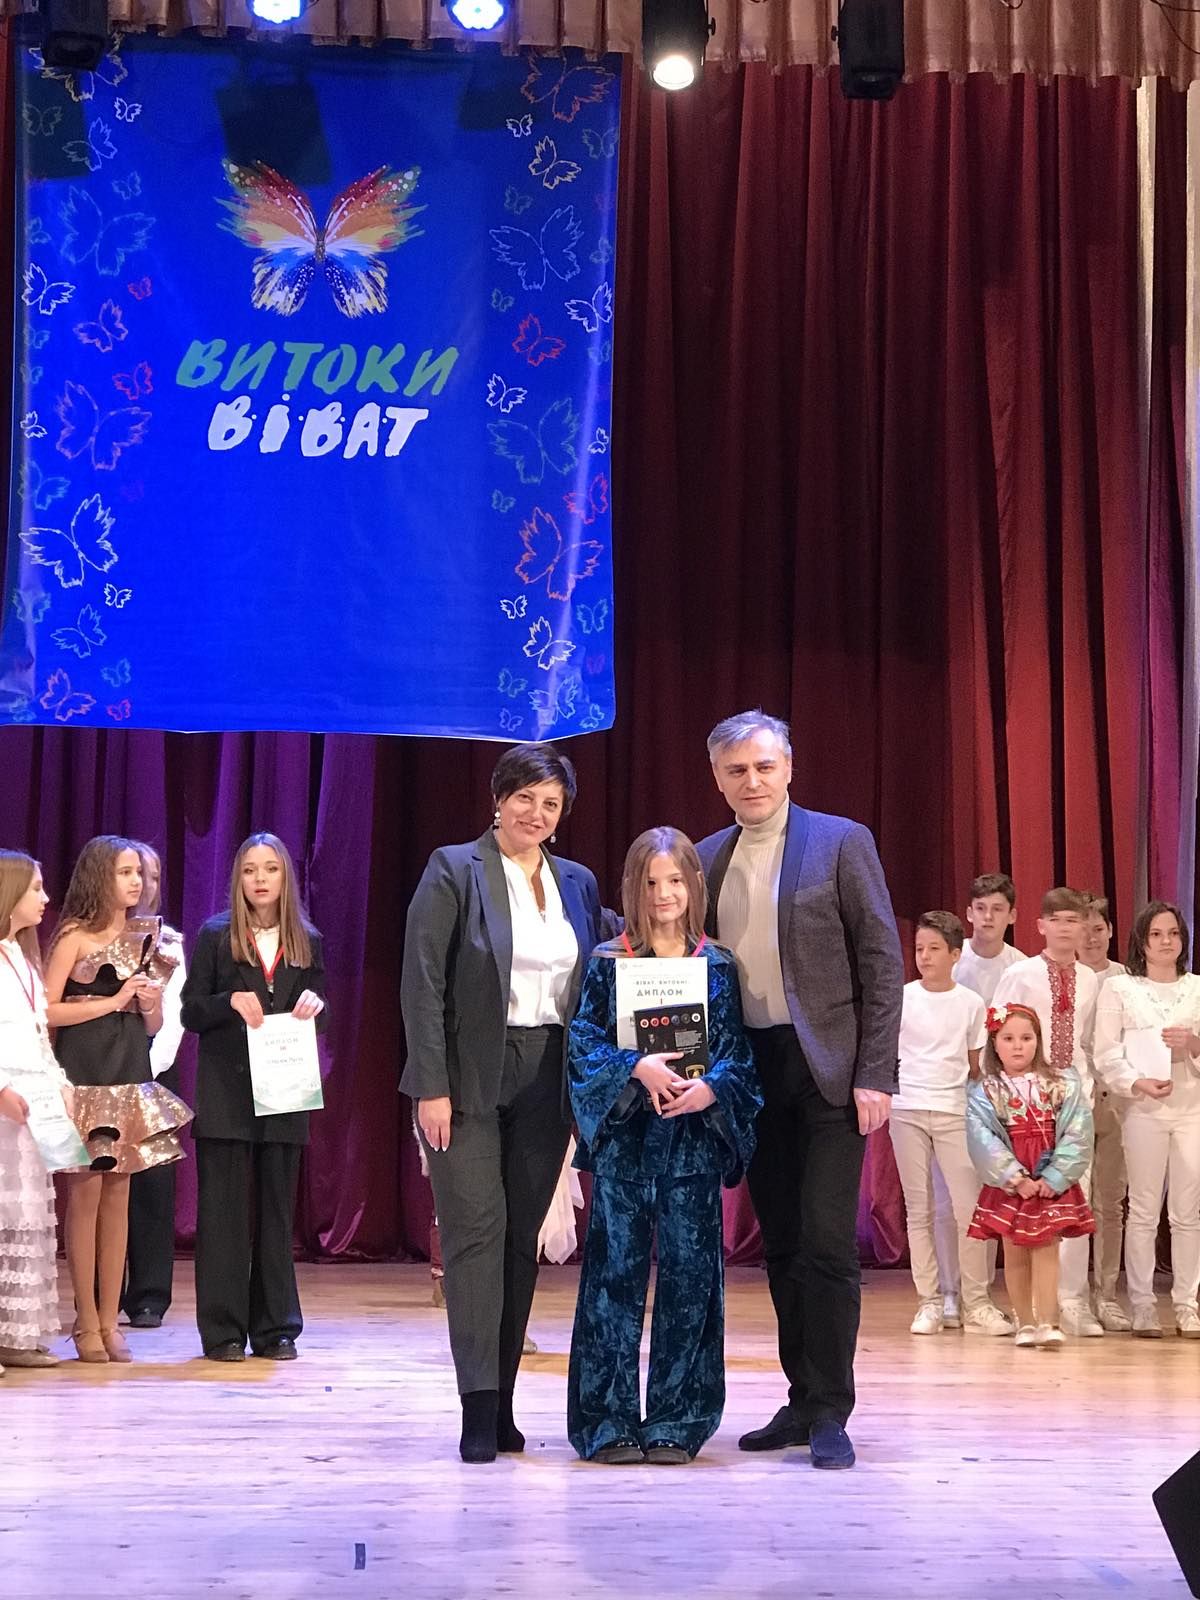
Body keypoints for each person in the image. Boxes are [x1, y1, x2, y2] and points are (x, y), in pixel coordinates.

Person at [696, 710, 903, 1470]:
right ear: (718, 779)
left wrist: (876, 1072)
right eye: (736, 770)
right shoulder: (705, 857)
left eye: (764, 766)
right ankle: (800, 1397)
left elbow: (881, 961)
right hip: (750, 1074)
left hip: (830, 1073)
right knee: (782, 1242)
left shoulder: (842, 842)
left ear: (789, 767)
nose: (752, 781)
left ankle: (832, 1409)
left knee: (825, 1242)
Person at [401, 743, 604, 1463]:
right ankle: (476, 1408)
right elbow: (422, 982)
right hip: (468, 1075)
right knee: (474, 1238)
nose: (537, 813)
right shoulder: (454, 868)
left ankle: (506, 1401)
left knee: (521, 1240)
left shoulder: (578, 882)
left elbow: (605, 971)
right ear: (498, 799)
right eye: (525, 798)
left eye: (551, 804)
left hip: (550, 1075)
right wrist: (432, 1085)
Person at [567, 828, 761, 1464]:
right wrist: (634, 1066)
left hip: (691, 1148)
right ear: (633, 888)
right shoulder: (608, 961)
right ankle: (607, 1421)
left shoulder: (717, 965)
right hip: (626, 1147)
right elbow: (583, 1045)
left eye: (675, 880)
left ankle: (680, 1418)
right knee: (612, 1282)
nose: (663, 894)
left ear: (694, 885)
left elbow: (736, 1055)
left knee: (691, 1283)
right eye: (650, 883)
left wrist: (712, 1091)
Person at [44, 836, 191, 1364]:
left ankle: (110, 1321)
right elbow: (48, 1010)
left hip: (128, 1076)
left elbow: (151, 1024)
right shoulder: (74, 937)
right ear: (98, 877)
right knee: (84, 1200)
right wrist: (111, 1001)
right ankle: (85, 1319)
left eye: (138, 873)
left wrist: (148, 1004)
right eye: (124, 872)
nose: (135, 881)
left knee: (119, 1202)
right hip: (85, 1077)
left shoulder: (150, 940)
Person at [182, 832, 326, 1363]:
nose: (260, 879)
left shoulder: (307, 939)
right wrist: (228, 1001)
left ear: (286, 877)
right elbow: (190, 1010)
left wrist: (316, 1006)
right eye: (249, 870)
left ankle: (275, 1329)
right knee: (223, 1217)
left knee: (276, 1216)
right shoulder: (216, 935)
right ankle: (222, 1331)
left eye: (270, 869)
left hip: (283, 1093)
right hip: (226, 1094)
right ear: (237, 879)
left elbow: (321, 1008)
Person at [890, 912, 1012, 1336]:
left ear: (955, 954)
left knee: (968, 1208)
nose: (924, 956)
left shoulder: (970, 1003)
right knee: (918, 1209)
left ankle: (976, 1301)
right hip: (907, 1109)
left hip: (953, 1110)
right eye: (919, 948)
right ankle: (931, 1300)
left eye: (934, 949)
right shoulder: (902, 997)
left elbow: (976, 1066)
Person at [992, 887, 1102, 1337]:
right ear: (1040, 926)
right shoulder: (1021, 974)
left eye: (1073, 920)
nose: (1064, 928)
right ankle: (1032, 1309)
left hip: (1075, 1098)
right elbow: (999, 1028)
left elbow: (1088, 1041)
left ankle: (1072, 1301)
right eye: (1056, 920)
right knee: (1026, 1198)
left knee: (1075, 1196)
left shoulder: (1091, 979)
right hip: (1026, 1100)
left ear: (1084, 927)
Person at [1093, 901, 1200, 1339]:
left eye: (1172, 933)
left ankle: (1187, 1304)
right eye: (1156, 934)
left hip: (1191, 1108)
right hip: (1143, 1109)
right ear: (1142, 941)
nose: (1165, 941)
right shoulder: (1121, 989)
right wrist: (1136, 1083)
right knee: (1142, 1208)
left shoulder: (1196, 988)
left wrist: (1193, 1043)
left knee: (1187, 1212)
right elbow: (1106, 1052)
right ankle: (1141, 1304)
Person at [966, 1002, 1094, 1347]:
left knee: (1047, 1246)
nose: (1018, 1046)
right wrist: (1014, 1177)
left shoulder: (1062, 1083)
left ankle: (1049, 1321)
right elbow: (982, 1139)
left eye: (1026, 1038)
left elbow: (1078, 1130)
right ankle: (1024, 1322)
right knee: (1015, 1249)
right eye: (1008, 1038)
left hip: (1049, 1175)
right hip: (1013, 1181)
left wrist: (1055, 1177)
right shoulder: (985, 1091)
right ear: (994, 1044)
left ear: (1038, 1040)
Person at [0, 851, 70, 1372]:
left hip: (31, 1107)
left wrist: (60, 1084)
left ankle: (14, 1334)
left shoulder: (22, 960)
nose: (45, 898)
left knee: (24, 1218)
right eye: (36, 888)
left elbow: (39, 1037)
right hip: (4, 1100)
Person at [121, 841, 187, 1330]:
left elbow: (174, 1018)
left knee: (152, 1186)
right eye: (137, 873)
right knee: (102, 1183)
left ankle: (148, 1296)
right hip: (101, 1069)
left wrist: (144, 1066)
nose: (146, 884)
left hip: (153, 1071)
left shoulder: (170, 943)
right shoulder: (92, 938)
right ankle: (100, 1295)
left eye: (155, 876)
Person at [1077, 893, 1131, 1332]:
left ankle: (1107, 1294)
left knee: (1110, 1202)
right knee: (1073, 1199)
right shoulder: (1065, 976)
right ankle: (1072, 1296)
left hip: (1117, 1101)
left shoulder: (1127, 980)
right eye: (1084, 929)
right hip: (1074, 1100)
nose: (1091, 938)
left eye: (1099, 929)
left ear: (1111, 931)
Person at [955, 874, 1027, 1006]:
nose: (988, 916)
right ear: (969, 914)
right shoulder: (951, 959)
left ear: (1012, 916)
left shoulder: (1021, 967)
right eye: (980, 908)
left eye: (997, 909)